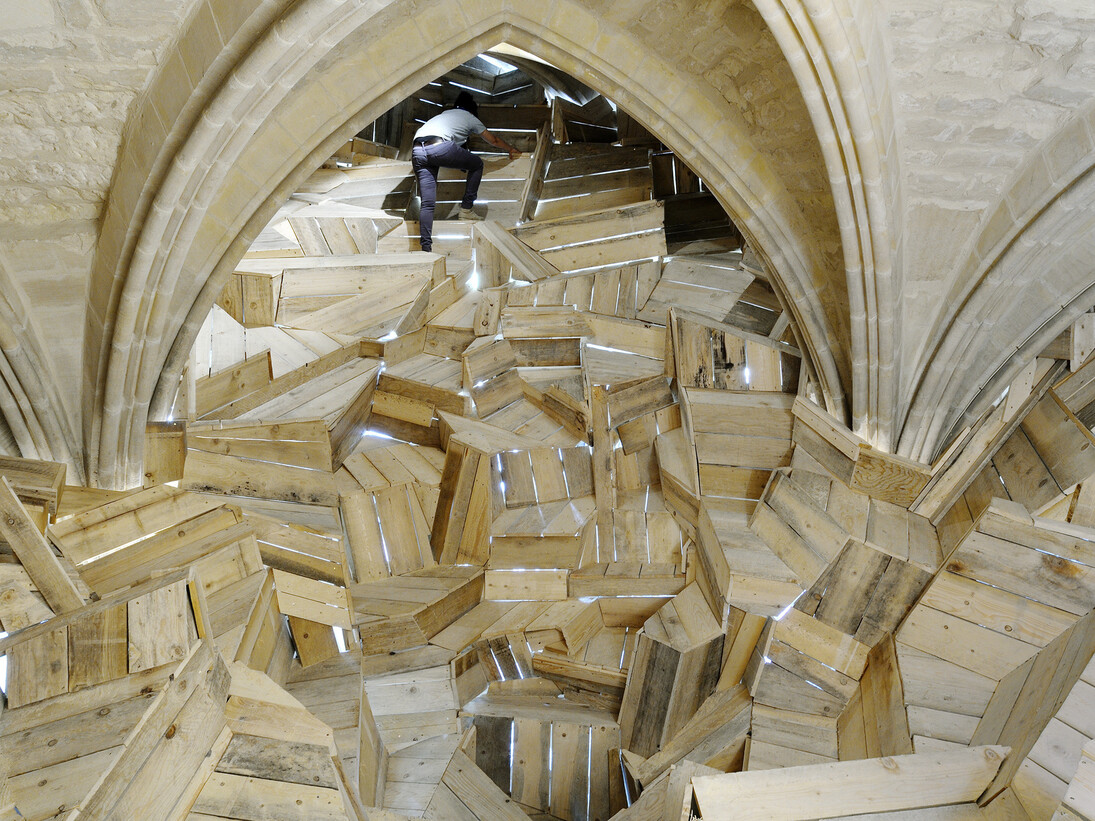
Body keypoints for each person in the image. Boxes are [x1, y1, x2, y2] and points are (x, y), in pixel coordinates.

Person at [410, 90, 521, 253]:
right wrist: (511, 149)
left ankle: (426, 249)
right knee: (477, 164)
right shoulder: (470, 118)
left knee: (427, 204)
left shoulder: (444, 115)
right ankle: (466, 210)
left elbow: (459, 150)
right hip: (439, 147)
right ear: (472, 109)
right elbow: (493, 140)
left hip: (418, 149)